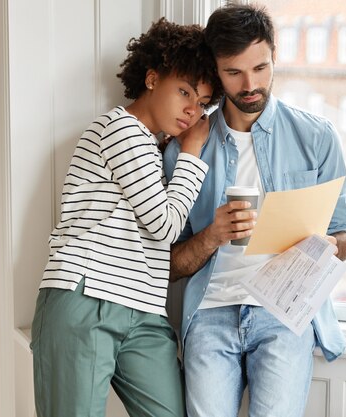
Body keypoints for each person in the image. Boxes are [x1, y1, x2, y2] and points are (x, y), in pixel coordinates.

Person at [163, 3, 346, 417]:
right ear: (215, 70)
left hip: (285, 313)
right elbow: (169, 263)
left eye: (261, 68)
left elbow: (345, 235)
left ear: (274, 57)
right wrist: (213, 235)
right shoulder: (186, 147)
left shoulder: (316, 137)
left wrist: (326, 247)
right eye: (234, 72)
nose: (251, 84)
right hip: (211, 311)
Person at [29, 18, 221, 417]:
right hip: (86, 299)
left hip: (144, 310)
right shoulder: (121, 128)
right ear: (151, 78)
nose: (192, 110)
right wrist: (192, 151)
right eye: (184, 91)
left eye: (202, 103)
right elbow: (165, 225)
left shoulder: (150, 148)